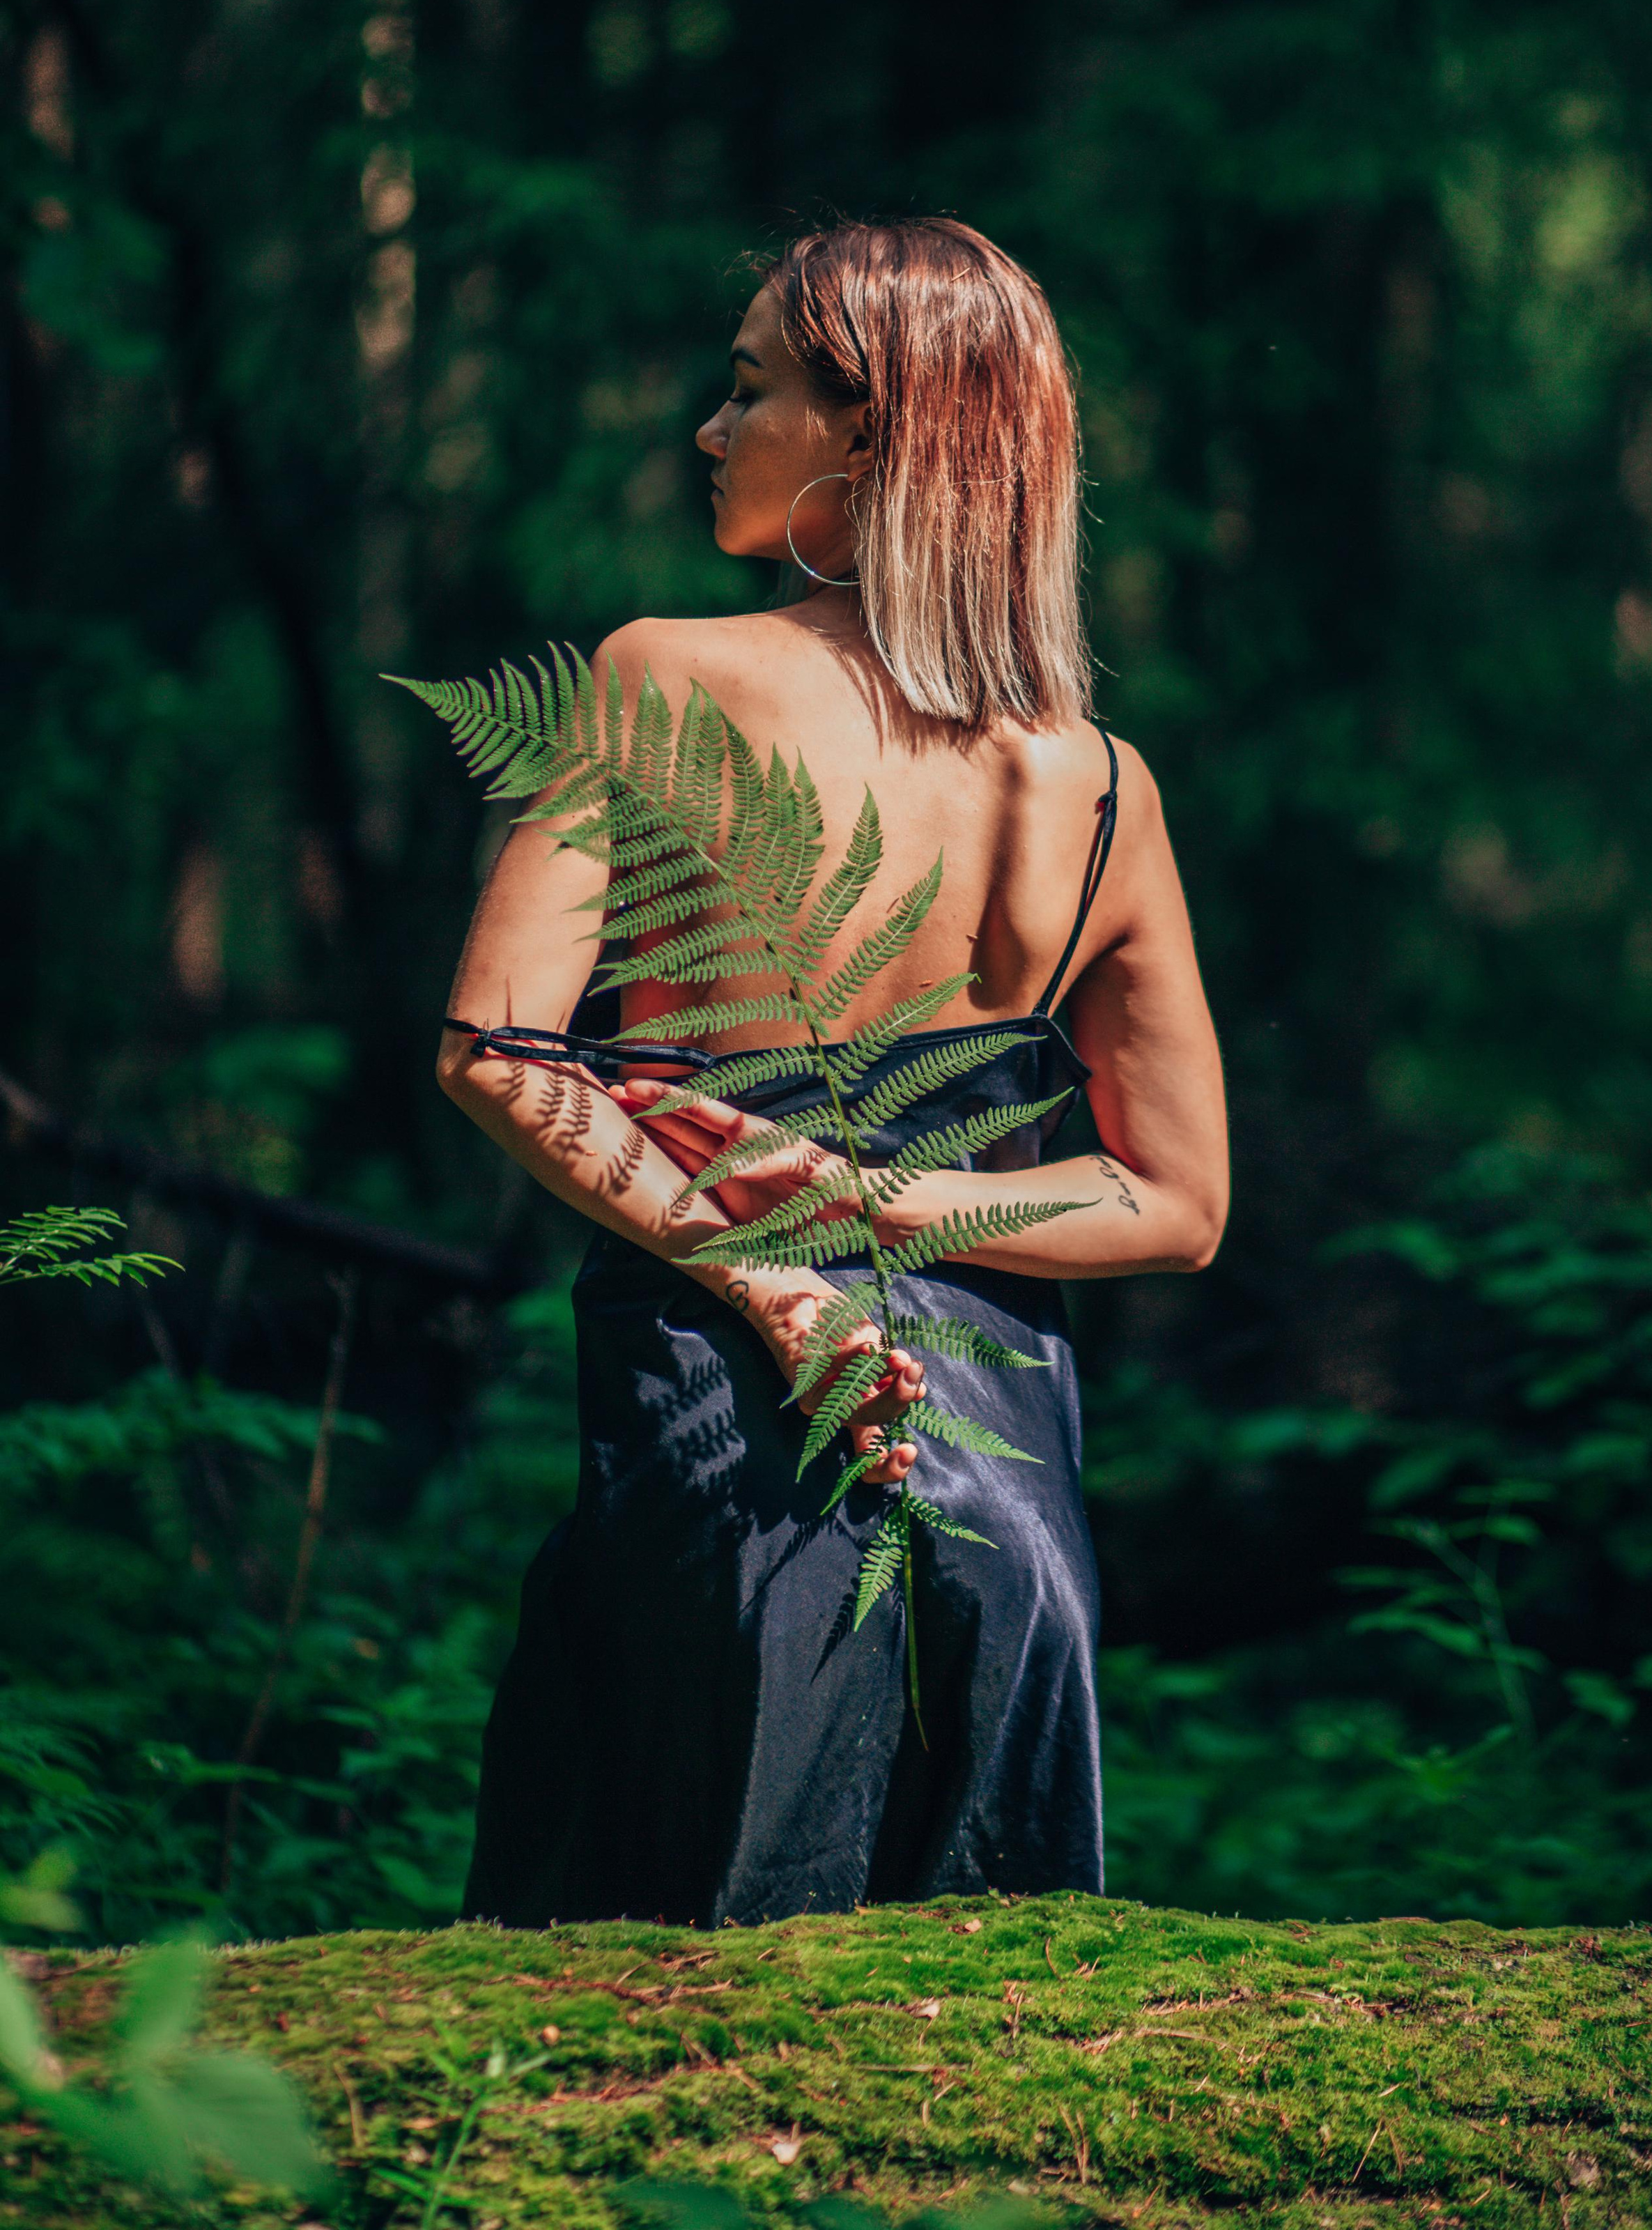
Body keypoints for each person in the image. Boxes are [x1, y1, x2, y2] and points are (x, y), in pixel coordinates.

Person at [438, 217, 1228, 1927]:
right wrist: (896, 1205)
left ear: (867, 432)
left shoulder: (661, 679)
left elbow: (496, 1051)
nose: (709, 428)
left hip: (734, 1421)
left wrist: (775, 1272)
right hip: (1000, 1463)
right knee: (971, 1985)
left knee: (654, 1944)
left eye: (747, 390)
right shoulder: (1096, 783)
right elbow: (1173, 1203)